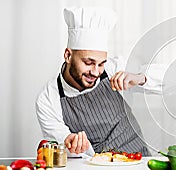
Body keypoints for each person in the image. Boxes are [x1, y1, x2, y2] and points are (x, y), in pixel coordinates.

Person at [36, 7, 163, 156]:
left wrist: (140, 78)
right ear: (68, 55)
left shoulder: (113, 69)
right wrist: (69, 144)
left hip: (138, 160)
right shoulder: (48, 98)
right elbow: (60, 144)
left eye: (101, 63)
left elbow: (172, 79)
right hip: (93, 165)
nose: (96, 72)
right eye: (88, 62)